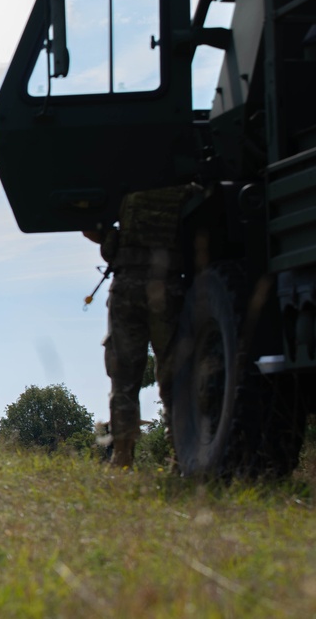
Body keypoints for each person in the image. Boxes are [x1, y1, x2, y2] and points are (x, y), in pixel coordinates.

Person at [84, 186, 193, 468]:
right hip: (168, 288)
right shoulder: (185, 191)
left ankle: (122, 456)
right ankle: (181, 455)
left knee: (124, 379)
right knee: (173, 376)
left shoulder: (126, 188)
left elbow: (93, 232)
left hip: (127, 290)